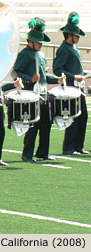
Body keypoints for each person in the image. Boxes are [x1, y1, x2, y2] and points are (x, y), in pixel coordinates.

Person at [13, 17, 64, 163]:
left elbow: (44, 75)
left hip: (43, 92)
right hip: (30, 92)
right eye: (39, 42)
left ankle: (43, 152)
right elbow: (16, 72)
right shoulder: (24, 54)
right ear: (31, 41)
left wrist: (56, 79)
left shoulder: (41, 55)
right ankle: (27, 154)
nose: (41, 44)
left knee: (46, 123)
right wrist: (29, 79)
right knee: (32, 124)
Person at [53, 12, 89, 155]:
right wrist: (73, 76)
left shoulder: (73, 48)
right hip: (70, 88)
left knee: (83, 116)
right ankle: (68, 147)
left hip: (78, 87)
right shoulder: (64, 49)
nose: (79, 38)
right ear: (70, 35)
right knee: (73, 117)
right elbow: (57, 69)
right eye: (77, 35)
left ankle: (78, 146)